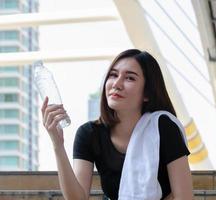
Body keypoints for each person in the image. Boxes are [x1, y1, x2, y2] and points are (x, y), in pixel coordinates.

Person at [41, 49, 193, 200]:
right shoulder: (89, 133)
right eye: (113, 75)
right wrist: (58, 145)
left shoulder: (163, 128)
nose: (117, 84)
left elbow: (184, 197)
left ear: (147, 93)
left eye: (129, 78)